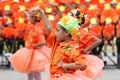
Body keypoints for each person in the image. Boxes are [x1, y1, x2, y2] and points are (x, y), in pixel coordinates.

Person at [8, 8, 51, 80]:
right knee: (30, 71)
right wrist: (29, 12)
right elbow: (26, 14)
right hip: (30, 51)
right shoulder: (32, 27)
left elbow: (43, 42)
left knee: (36, 72)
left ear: (34, 18)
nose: (28, 19)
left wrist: (34, 45)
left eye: (30, 17)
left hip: (35, 52)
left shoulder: (38, 29)